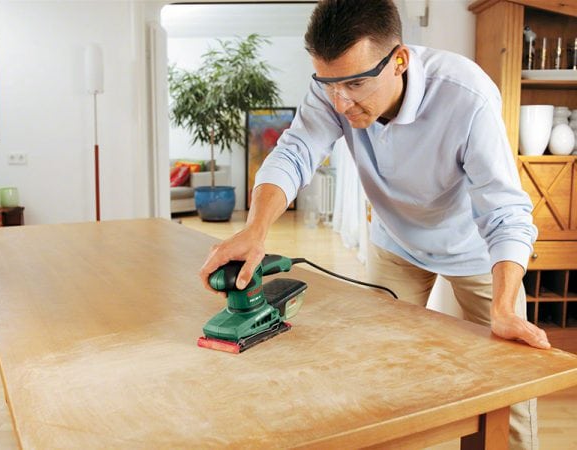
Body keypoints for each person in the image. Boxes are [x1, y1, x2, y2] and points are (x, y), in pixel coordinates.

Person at [199, 1, 548, 448]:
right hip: (396, 244)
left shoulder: (468, 96)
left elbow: (505, 212)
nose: (341, 102)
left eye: (356, 84)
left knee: (509, 380)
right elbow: (295, 153)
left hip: (476, 249)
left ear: (399, 61)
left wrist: (502, 307)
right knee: (378, 366)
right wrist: (256, 231)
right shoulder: (333, 89)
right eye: (329, 84)